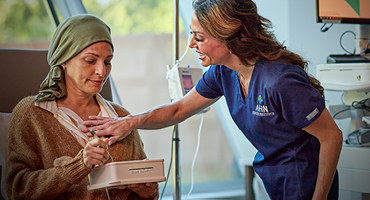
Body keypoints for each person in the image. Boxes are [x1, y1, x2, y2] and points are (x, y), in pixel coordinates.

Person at [83, 0, 343, 199]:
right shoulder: (223, 73)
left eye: (200, 37)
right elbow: (178, 110)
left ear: (228, 36)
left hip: (305, 179)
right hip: (272, 176)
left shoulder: (279, 80)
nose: (192, 44)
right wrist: (129, 122)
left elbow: (331, 136)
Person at [5, 14, 158, 200]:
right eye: (90, 61)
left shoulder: (121, 116)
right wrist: (78, 165)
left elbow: (144, 185)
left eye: (108, 61)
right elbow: (17, 190)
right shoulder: (31, 114)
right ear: (64, 59)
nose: (102, 71)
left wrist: (149, 193)